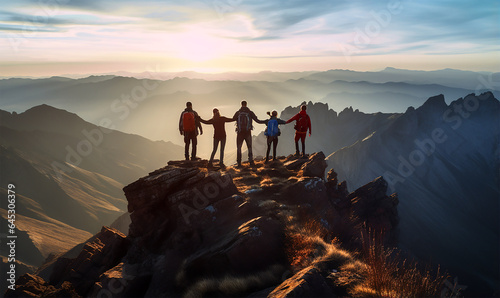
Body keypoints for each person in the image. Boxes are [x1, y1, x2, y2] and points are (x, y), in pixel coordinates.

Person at [232, 100, 264, 167]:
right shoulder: (250, 112)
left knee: (239, 147)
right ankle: (251, 162)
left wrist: (220, 119)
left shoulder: (238, 112)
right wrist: (267, 121)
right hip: (247, 133)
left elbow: (232, 119)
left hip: (240, 133)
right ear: (246, 104)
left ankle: (239, 163)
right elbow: (257, 121)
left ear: (241, 104)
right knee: (249, 147)